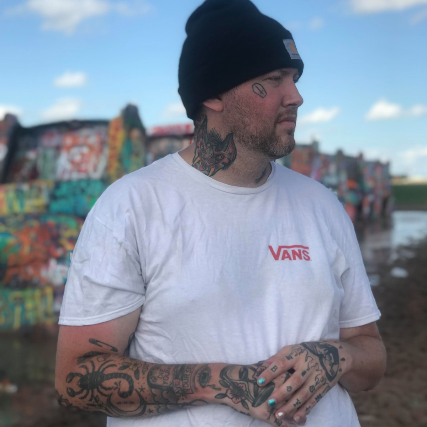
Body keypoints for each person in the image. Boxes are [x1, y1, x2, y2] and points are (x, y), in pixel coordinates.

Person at [55, 0, 386, 426]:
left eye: (295, 78)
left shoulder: (322, 205)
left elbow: (371, 356)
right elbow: (75, 378)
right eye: (274, 79)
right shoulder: (131, 208)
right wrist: (223, 383)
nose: (296, 96)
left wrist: (337, 356)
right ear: (212, 94)